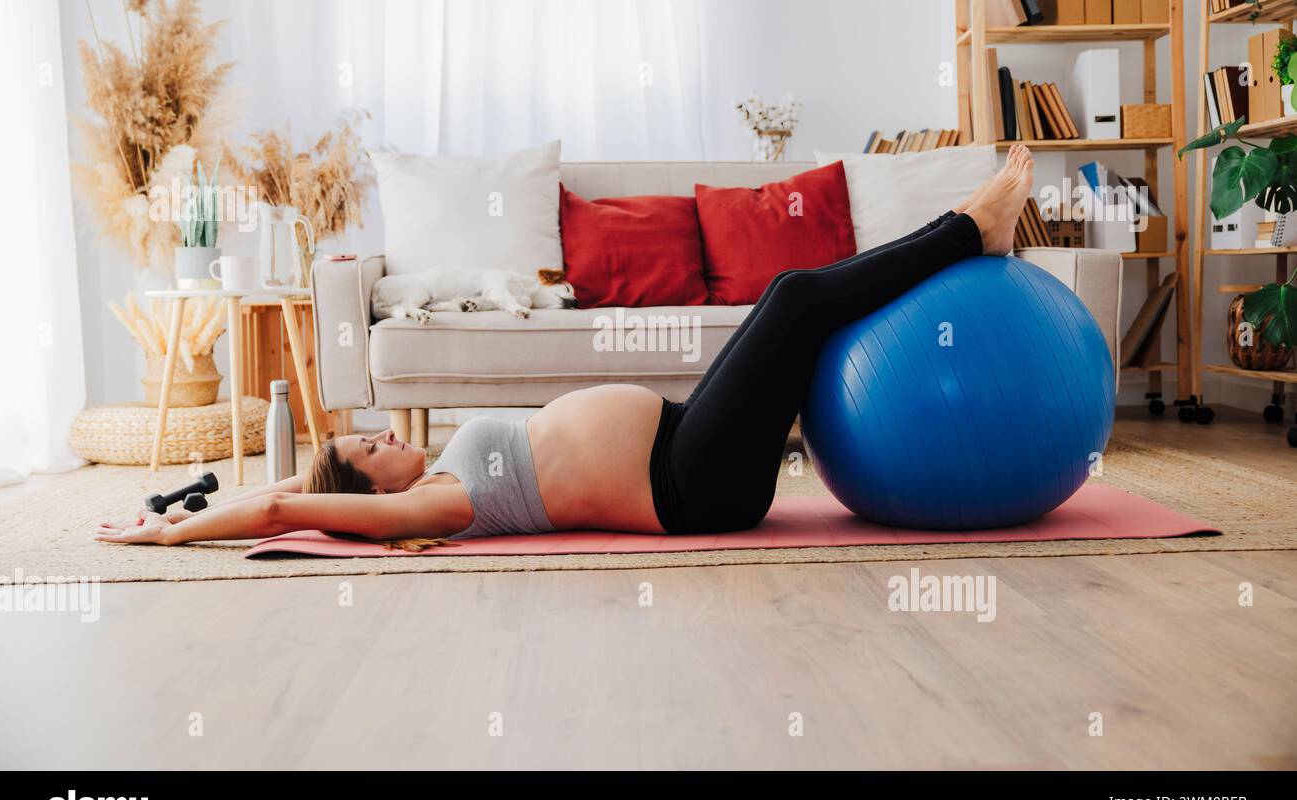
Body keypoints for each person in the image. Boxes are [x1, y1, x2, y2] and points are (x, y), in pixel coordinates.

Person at [96, 146, 1033, 546]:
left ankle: (963, 234)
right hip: (696, 487)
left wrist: (202, 509)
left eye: (370, 438)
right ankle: (965, 229)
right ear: (375, 495)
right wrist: (174, 534)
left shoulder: (411, 480)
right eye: (372, 451)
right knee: (792, 297)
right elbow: (286, 517)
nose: (384, 437)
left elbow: (290, 490)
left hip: (686, 435)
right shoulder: (434, 511)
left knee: (793, 305)